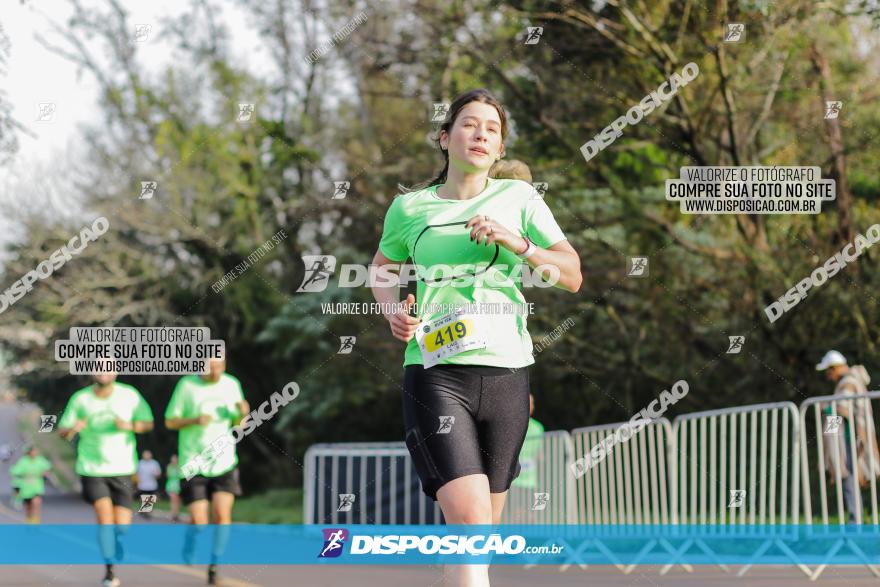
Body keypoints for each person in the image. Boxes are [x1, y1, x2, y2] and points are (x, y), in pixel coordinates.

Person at [370, 88, 582, 587]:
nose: (481, 133)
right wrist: (390, 313)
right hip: (435, 372)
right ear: (445, 138)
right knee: (469, 522)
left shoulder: (520, 199)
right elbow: (382, 268)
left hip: (507, 374)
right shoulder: (410, 207)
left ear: (501, 149)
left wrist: (519, 242)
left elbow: (572, 274)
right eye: (469, 123)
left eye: (492, 128)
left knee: (476, 540)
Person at [58, 366, 154, 587]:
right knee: (104, 518)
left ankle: (118, 540)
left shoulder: (129, 395)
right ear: (92, 373)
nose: (103, 373)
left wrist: (129, 425)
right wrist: (73, 427)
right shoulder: (80, 399)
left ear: (115, 372)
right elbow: (63, 432)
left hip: (122, 468)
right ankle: (109, 571)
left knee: (122, 525)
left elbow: (148, 424)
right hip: (92, 469)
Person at [165, 357, 249, 586]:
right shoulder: (186, 385)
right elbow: (170, 421)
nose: (215, 371)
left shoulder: (231, 384)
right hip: (194, 463)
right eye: (210, 366)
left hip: (224, 462)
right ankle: (191, 540)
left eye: (220, 366)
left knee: (222, 516)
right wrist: (193, 420)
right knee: (200, 522)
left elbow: (240, 425)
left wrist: (244, 413)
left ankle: (214, 565)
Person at [815, 350, 880, 523]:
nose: (828, 376)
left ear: (834, 368)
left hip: (851, 438)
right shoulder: (853, 379)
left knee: (849, 479)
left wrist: (825, 408)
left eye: (828, 371)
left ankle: (855, 522)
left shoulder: (847, 382)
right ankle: (859, 520)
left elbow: (843, 410)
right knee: (853, 480)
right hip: (854, 436)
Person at [9, 445, 52, 524]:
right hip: (26, 489)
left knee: (36, 503)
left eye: (36, 451)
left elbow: (47, 467)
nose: (34, 453)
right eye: (33, 451)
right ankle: (29, 523)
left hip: (37, 487)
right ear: (29, 452)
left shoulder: (40, 460)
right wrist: (23, 475)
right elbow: (15, 471)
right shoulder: (23, 461)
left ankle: (35, 523)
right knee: (29, 508)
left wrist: (45, 473)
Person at [511, 394, 545, 491]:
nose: (529, 406)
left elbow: (540, 455)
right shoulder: (511, 425)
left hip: (530, 481)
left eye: (531, 403)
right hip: (513, 482)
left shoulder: (538, 427)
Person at [134, 450, 162, 518]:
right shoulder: (140, 463)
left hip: (151, 485)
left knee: (150, 498)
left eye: (148, 455)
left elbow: (159, 474)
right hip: (142, 485)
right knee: (143, 498)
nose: (146, 456)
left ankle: (146, 512)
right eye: (145, 455)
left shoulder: (154, 463)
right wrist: (136, 482)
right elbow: (136, 473)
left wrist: (156, 474)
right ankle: (144, 511)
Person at [165, 454, 183, 522]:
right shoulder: (169, 467)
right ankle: (173, 515)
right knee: (173, 500)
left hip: (179, 485)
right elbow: (168, 475)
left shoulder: (180, 466)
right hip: (172, 485)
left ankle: (177, 515)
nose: (174, 460)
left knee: (178, 501)